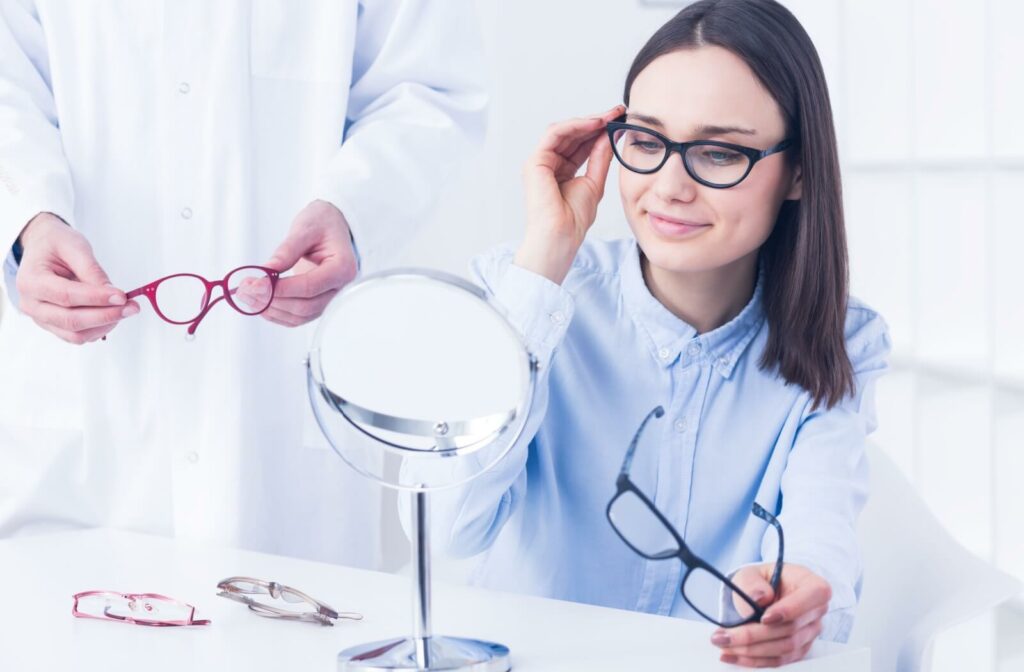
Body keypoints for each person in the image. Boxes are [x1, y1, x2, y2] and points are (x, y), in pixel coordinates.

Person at [413, 0, 890, 666]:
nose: (668, 187)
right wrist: (546, 259)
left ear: (800, 171)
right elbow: (444, 527)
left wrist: (797, 596)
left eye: (720, 152)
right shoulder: (524, 290)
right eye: (645, 140)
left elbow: (823, 539)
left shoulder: (842, 338)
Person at [0, 0, 486, 570]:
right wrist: (27, 218)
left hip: (272, 398)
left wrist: (353, 211)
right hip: (86, 403)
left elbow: (431, 88)